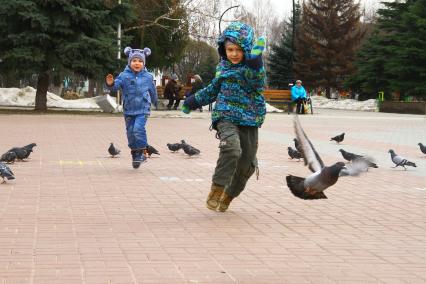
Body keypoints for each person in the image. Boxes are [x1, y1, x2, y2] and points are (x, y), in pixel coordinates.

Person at [182, 22, 266, 212]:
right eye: (230, 49)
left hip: (250, 119)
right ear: (223, 49)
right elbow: (212, 90)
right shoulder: (223, 68)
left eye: (238, 50)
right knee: (232, 149)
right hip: (226, 116)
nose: (234, 54)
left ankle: (228, 194)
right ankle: (217, 189)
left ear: (246, 50)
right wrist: (192, 101)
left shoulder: (251, 69)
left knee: (248, 165)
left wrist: (255, 62)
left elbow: (258, 82)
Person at [105, 46, 158, 169]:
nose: (137, 63)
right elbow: (115, 87)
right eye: (134, 61)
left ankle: (142, 152)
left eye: (140, 61)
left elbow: (153, 91)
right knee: (130, 132)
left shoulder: (148, 76)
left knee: (137, 129)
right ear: (130, 62)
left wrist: (155, 102)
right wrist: (110, 84)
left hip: (143, 108)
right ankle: (135, 154)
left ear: (143, 63)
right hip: (129, 109)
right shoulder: (124, 75)